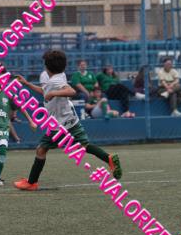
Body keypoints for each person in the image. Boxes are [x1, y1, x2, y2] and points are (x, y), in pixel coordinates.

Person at [13, 50, 122, 191]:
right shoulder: (60, 76)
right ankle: (109, 158)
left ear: (47, 67)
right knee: (84, 145)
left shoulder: (55, 81)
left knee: (41, 149)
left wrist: (53, 93)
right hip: (71, 120)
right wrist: (27, 83)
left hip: (59, 126)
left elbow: (71, 91)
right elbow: (45, 91)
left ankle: (31, 183)